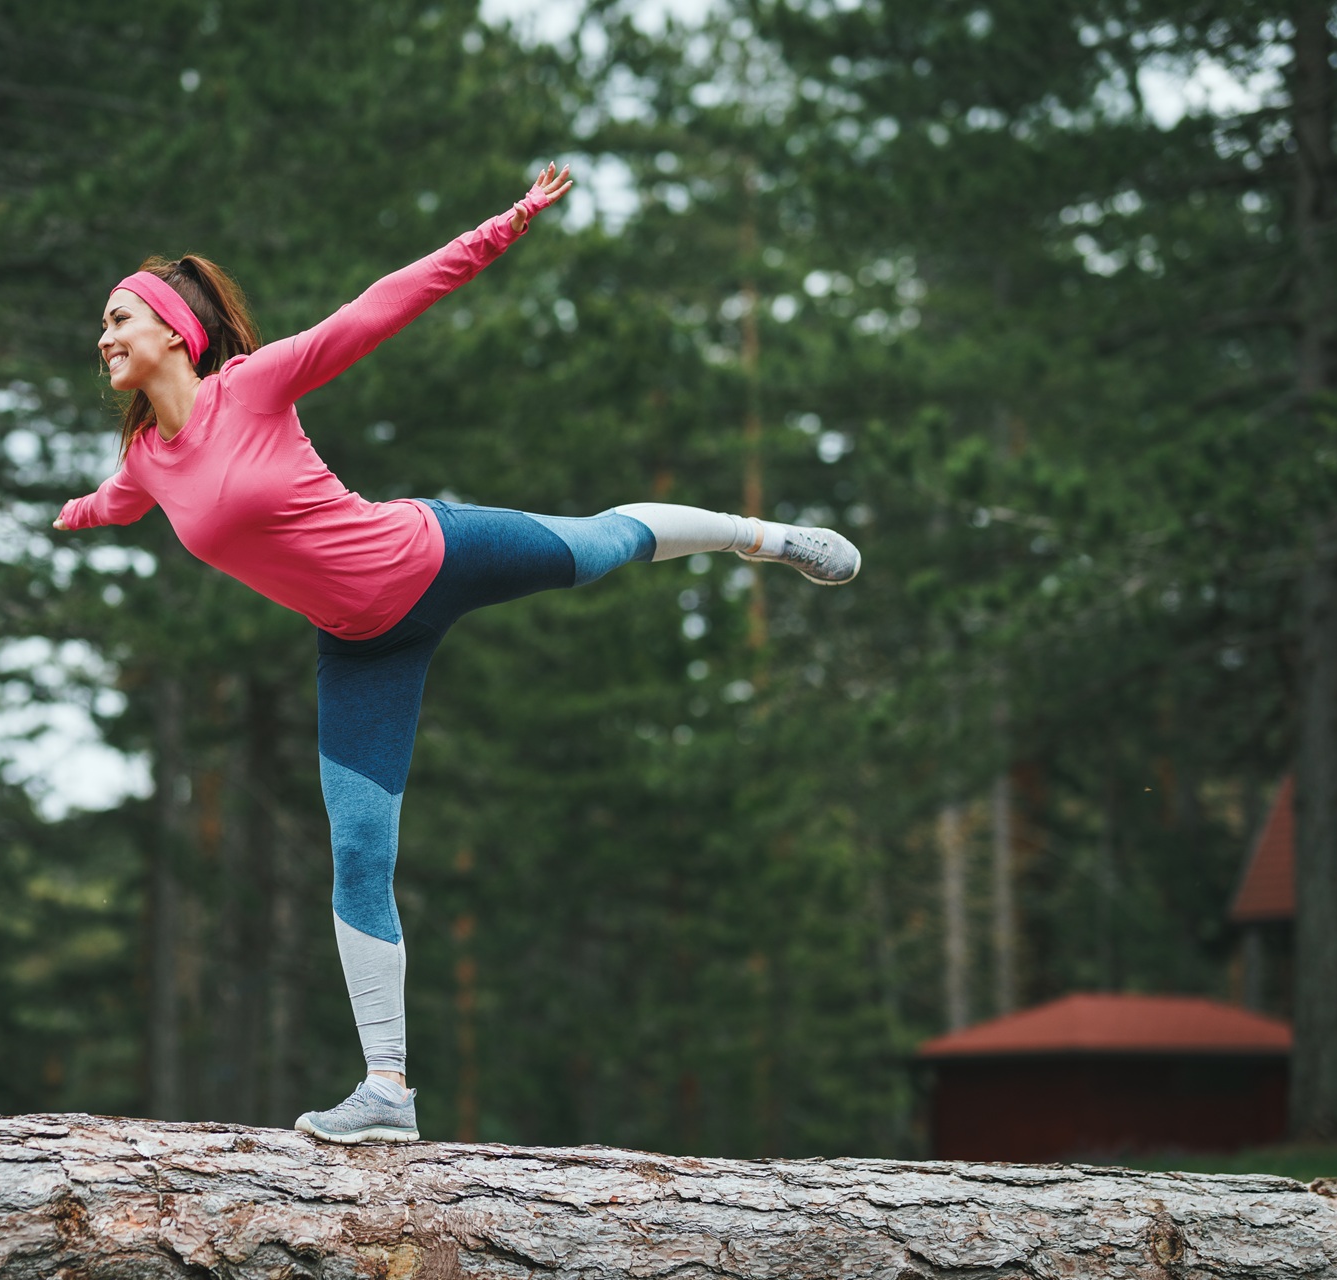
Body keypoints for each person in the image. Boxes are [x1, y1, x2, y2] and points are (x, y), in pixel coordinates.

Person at [55, 164, 860, 1144]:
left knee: (603, 543)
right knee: (358, 852)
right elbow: (128, 497)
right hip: (361, 651)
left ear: (172, 331)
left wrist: (503, 227)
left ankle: (762, 537)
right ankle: (387, 1089)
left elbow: (379, 307)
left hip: (432, 553)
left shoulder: (251, 390)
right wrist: (85, 510)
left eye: (117, 319)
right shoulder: (148, 456)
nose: (103, 337)